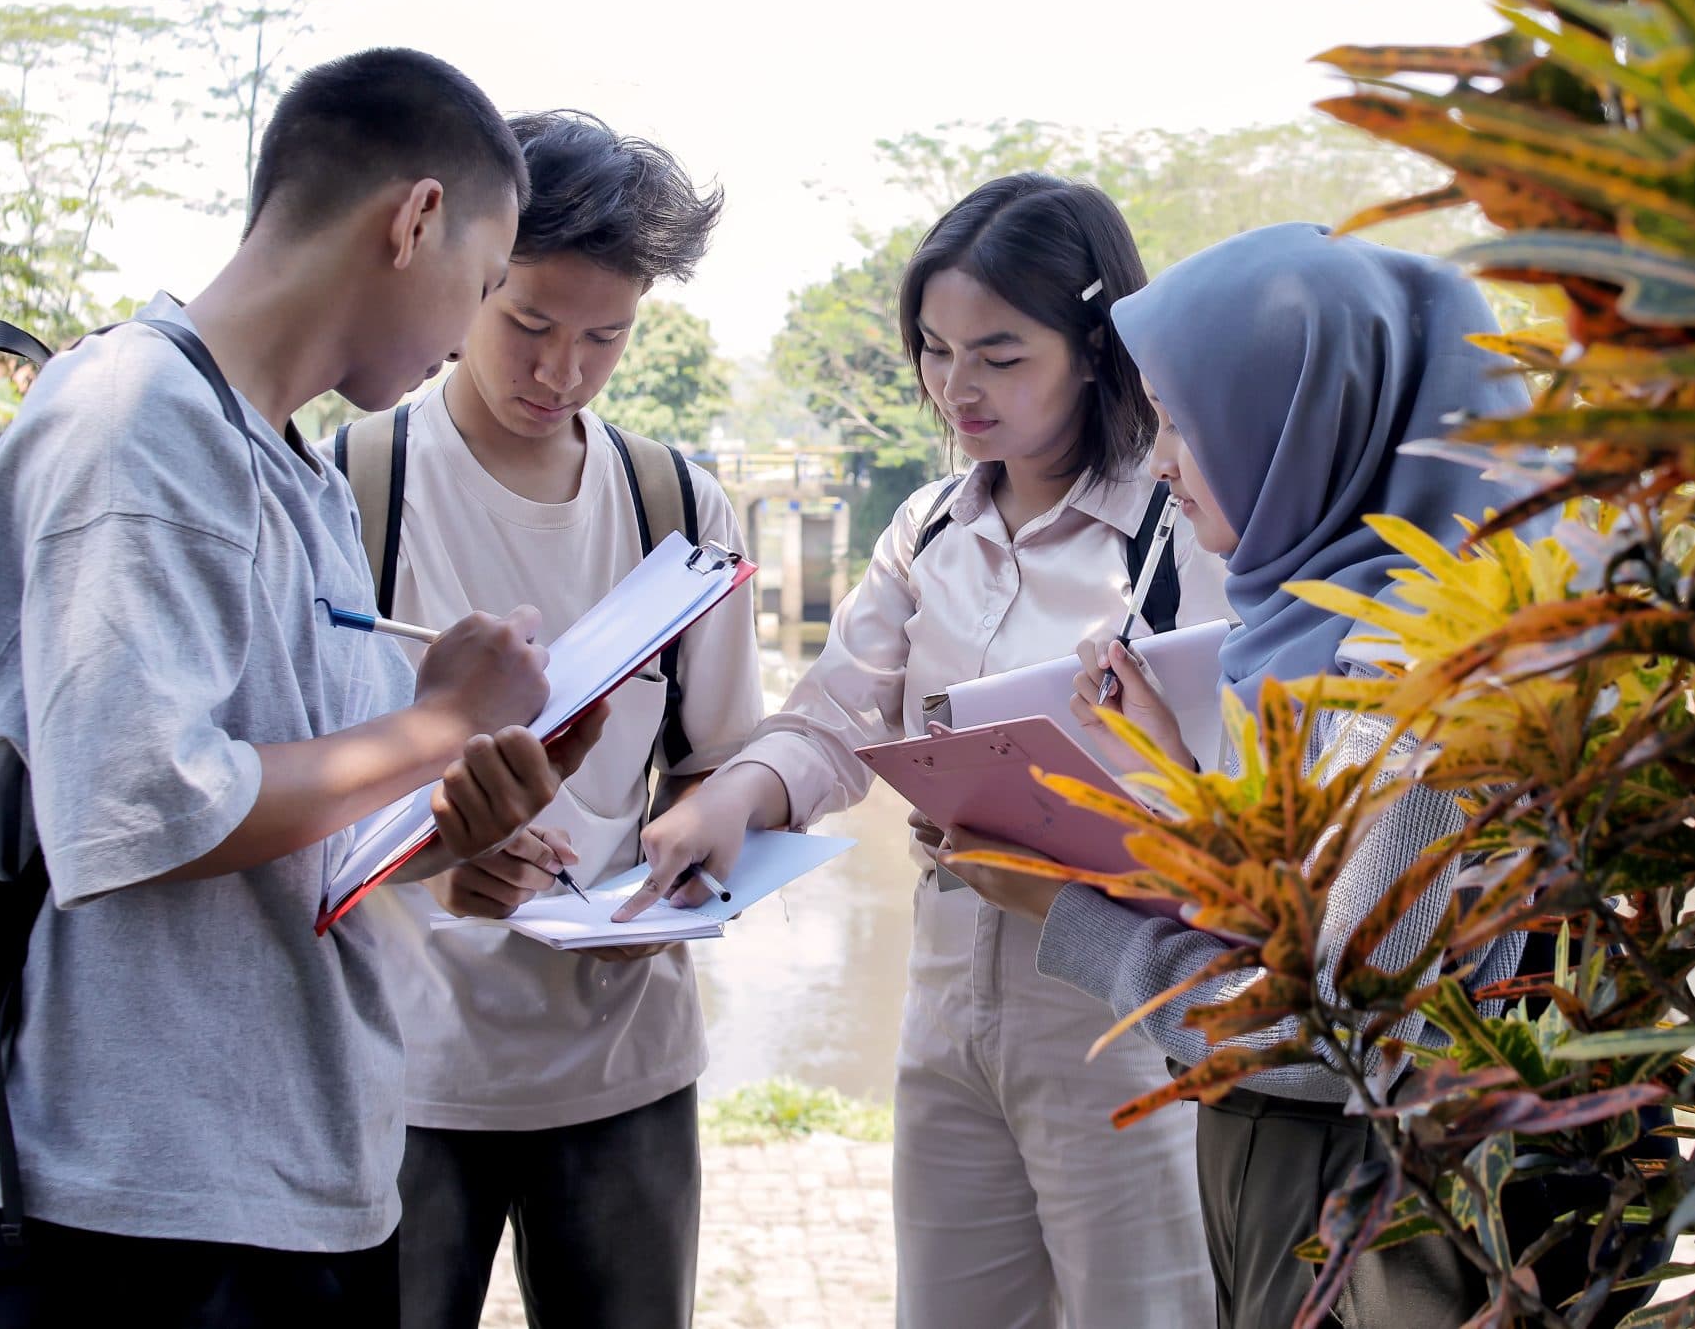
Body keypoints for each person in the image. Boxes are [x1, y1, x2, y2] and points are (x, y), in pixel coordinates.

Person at [0, 48, 606, 1327]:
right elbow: (143, 807)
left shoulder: (293, 472)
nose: (471, 327)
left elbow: (293, 810)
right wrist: (440, 719)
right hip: (144, 1210)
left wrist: (457, 839)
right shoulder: (134, 422)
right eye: (489, 283)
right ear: (417, 219)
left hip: (298, 1176)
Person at [628, 173, 1224, 1328]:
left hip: (1119, 1012)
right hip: (948, 996)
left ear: (1097, 349)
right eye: (936, 351)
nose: (958, 389)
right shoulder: (932, 528)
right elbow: (833, 716)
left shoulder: (1179, 531)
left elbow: (1246, 794)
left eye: (1001, 356)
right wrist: (735, 798)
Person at [952, 223, 1536, 1329]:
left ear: (1303, 427)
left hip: (1374, 1221)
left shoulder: (1413, 679)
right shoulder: (1326, 627)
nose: (1162, 463)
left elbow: (1332, 1039)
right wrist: (1163, 763)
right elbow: (1310, 912)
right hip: (1308, 1197)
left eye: (1184, 423)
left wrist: (1068, 915)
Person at [351, 111, 756, 1329]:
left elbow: (719, 763)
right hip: (404, 1067)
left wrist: (689, 863)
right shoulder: (355, 490)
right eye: (526, 322)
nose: (558, 371)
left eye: (604, 338)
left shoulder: (678, 507)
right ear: (471, 276)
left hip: (625, 1062)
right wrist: (433, 854)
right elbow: (292, 792)